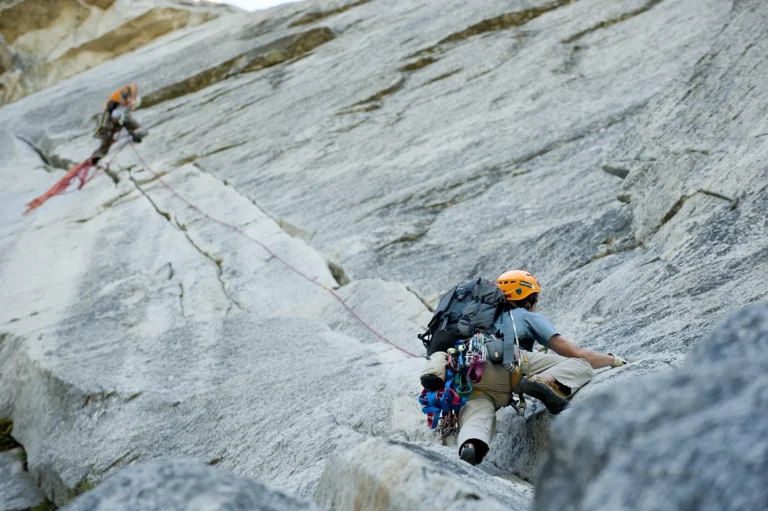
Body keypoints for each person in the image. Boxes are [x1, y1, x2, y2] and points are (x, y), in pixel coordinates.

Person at [424, 270, 627, 466]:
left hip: (471, 375)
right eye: (535, 298)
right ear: (527, 296)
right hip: (510, 363)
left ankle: (470, 446)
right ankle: (545, 381)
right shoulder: (523, 315)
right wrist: (612, 360)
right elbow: (576, 353)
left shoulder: (474, 320)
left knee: (478, 414)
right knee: (580, 364)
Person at [91, 84, 145, 164]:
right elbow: (133, 85)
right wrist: (133, 99)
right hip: (110, 120)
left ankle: (137, 135)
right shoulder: (121, 96)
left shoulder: (125, 106)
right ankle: (96, 157)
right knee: (107, 138)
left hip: (119, 119)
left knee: (133, 125)